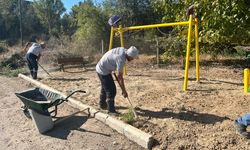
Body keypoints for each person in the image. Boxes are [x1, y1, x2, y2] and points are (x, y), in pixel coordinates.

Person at [96, 46, 139, 114]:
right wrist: (124, 91)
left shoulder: (124, 51)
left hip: (103, 68)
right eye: (132, 58)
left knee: (105, 87)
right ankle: (111, 110)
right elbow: (120, 78)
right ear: (129, 55)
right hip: (102, 70)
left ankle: (102, 105)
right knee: (111, 90)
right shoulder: (121, 59)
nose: (132, 59)